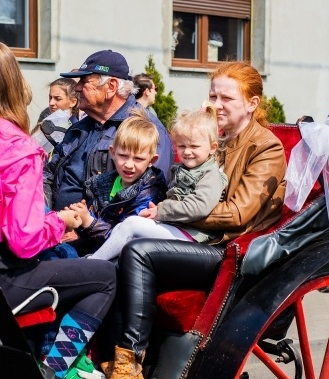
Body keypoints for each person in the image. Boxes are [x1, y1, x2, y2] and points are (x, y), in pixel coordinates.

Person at [81, 61, 287, 379]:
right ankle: (104, 358)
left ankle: (130, 372)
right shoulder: (213, 138)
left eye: (226, 98)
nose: (216, 104)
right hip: (195, 237)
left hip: (225, 249)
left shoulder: (265, 148)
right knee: (121, 247)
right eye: (213, 96)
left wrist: (167, 211)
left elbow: (238, 214)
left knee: (139, 251)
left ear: (252, 103)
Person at [0, 39, 116, 379]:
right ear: (13, 85)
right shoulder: (18, 148)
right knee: (105, 276)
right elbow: (24, 241)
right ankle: (55, 370)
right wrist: (62, 222)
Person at [88, 105, 227, 261]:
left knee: (131, 224)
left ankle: (94, 262)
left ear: (212, 148)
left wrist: (160, 211)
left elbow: (199, 206)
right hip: (179, 228)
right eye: (182, 146)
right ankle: (103, 262)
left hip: (194, 235)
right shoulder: (183, 169)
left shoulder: (211, 175)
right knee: (122, 227)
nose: (187, 152)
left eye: (194, 146)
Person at [43, 50, 174, 212]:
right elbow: (48, 174)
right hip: (55, 223)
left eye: (84, 81)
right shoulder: (80, 128)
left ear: (111, 87)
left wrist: (88, 224)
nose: (77, 87)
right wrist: (43, 213)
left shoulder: (145, 129)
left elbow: (145, 197)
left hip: (98, 226)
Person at [68, 109, 167, 253]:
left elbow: (122, 240)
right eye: (123, 156)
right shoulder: (103, 183)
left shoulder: (150, 194)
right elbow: (92, 217)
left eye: (138, 159)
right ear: (113, 153)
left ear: (152, 160)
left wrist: (88, 221)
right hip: (96, 248)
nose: (129, 165)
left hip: (122, 258)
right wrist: (78, 218)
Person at [31, 78, 80, 155]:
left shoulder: (77, 128)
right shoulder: (47, 120)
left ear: (73, 102)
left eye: (58, 99)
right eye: (50, 97)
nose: (51, 103)